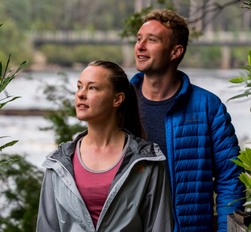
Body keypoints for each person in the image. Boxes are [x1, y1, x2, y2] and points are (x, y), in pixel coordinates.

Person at [130, 10, 244, 232]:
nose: (140, 46)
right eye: (138, 39)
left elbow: (230, 180)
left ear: (175, 52)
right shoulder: (120, 104)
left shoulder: (208, 107)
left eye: (151, 40)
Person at [37, 60, 174, 232]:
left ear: (117, 99)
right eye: (79, 87)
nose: (81, 94)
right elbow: (48, 227)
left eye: (92, 88)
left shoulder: (146, 160)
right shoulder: (58, 162)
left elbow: (159, 226)